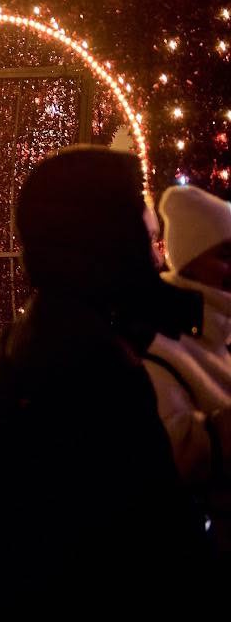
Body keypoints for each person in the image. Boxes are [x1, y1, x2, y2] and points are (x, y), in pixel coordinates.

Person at [0, 146, 211, 621]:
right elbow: (144, 532)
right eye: (144, 227)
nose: (158, 247)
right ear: (106, 237)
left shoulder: (44, 334)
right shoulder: (88, 360)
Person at [145, 184, 231, 554]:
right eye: (225, 256)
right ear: (191, 261)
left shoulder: (217, 330)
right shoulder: (162, 346)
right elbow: (169, 460)